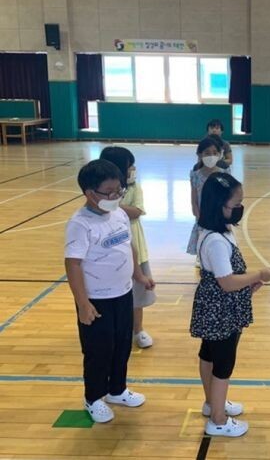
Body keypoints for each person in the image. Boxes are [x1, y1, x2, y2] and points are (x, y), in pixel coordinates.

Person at [64, 159, 155, 423]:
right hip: (97, 300)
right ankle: (93, 397)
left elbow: (129, 246)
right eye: (109, 192)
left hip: (123, 294)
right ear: (90, 193)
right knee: (98, 351)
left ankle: (117, 389)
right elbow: (73, 264)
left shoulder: (119, 215)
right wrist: (83, 303)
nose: (116, 197)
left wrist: (139, 275)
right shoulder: (80, 224)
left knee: (122, 345)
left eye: (119, 191)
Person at [190, 172, 270, 437]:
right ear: (219, 206)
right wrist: (259, 274)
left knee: (209, 354)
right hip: (220, 310)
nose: (240, 208)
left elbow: (228, 277)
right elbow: (226, 282)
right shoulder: (215, 240)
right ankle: (218, 419)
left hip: (218, 305)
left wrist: (247, 286)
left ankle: (212, 402)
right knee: (223, 362)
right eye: (235, 204)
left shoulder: (221, 231)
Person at [100, 146, 156, 349]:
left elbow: (137, 211)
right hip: (110, 251)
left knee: (137, 295)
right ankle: (114, 331)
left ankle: (138, 330)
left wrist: (112, 204)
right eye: (129, 166)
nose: (133, 169)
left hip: (135, 246)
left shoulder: (133, 187)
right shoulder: (99, 192)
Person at [187, 137, 225, 266]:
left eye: (214, 153)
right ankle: (201, 256)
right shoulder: (196, 175)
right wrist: (199, 218)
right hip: (202, 217)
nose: (211, 156)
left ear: (219, 154)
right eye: (207, 153)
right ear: (200, 155)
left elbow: (227, 197)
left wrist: (225, 217)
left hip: (220, 217)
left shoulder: (224, 174)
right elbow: (194, 201)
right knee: (204, 238)